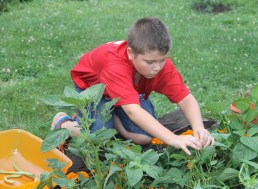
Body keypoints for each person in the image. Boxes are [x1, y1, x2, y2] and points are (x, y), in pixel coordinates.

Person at [51, 17, 215, 155]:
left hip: (126, 92)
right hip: (93, 90)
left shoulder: (159, 65)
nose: (157, 67)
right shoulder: (115, 66)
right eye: (150, 62)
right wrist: (174, 139)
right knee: (98, 137)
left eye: (162, 60)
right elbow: (133, 111)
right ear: (131, 53)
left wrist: (199, 128)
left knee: (143, 137)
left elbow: (186, 99)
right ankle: (64, 123)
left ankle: (113, 116)